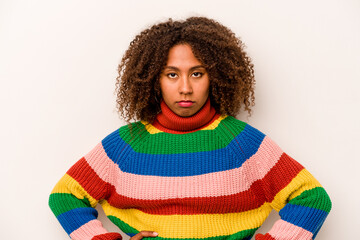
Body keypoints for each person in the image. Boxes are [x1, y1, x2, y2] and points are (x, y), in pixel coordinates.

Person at [49, 16, 332, 240]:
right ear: (153, 79)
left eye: (197, 73)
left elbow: (312, 199)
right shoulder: (126, 145)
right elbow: (65, 196)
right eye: (172, 74)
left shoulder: (242, 143)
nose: (185, 88)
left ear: (216, 76)